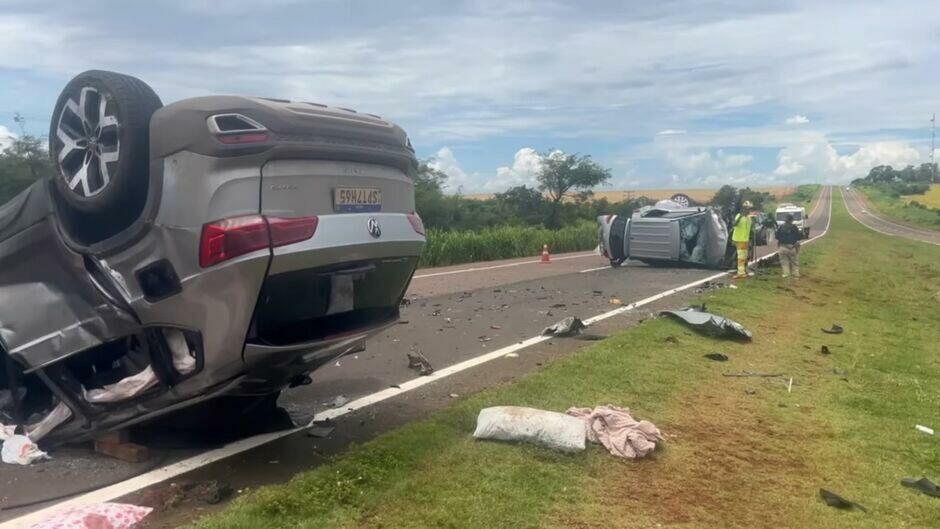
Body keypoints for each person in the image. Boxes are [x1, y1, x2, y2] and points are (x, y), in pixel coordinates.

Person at [731, 200, 754, 279]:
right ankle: (741, 272)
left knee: (744, 257)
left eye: (750, 209)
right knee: (741, 257)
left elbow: (751, 229)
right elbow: (734, 224)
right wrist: (740, 216)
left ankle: (742, 271)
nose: (749, 210)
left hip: (745, 240)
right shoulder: (739, 216)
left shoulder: (749, 218)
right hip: (739, 239)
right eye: (748, 209)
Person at [776, 214, 801, 278]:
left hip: (783, 246)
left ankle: (786, 274)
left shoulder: (781, 227)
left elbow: (777, 236)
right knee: (795, 262)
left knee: (784, 262)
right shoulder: (794, 227)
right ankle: (795, 273)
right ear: (792, 220)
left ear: (785, 220)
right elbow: (799, 236)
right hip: (793, 247)